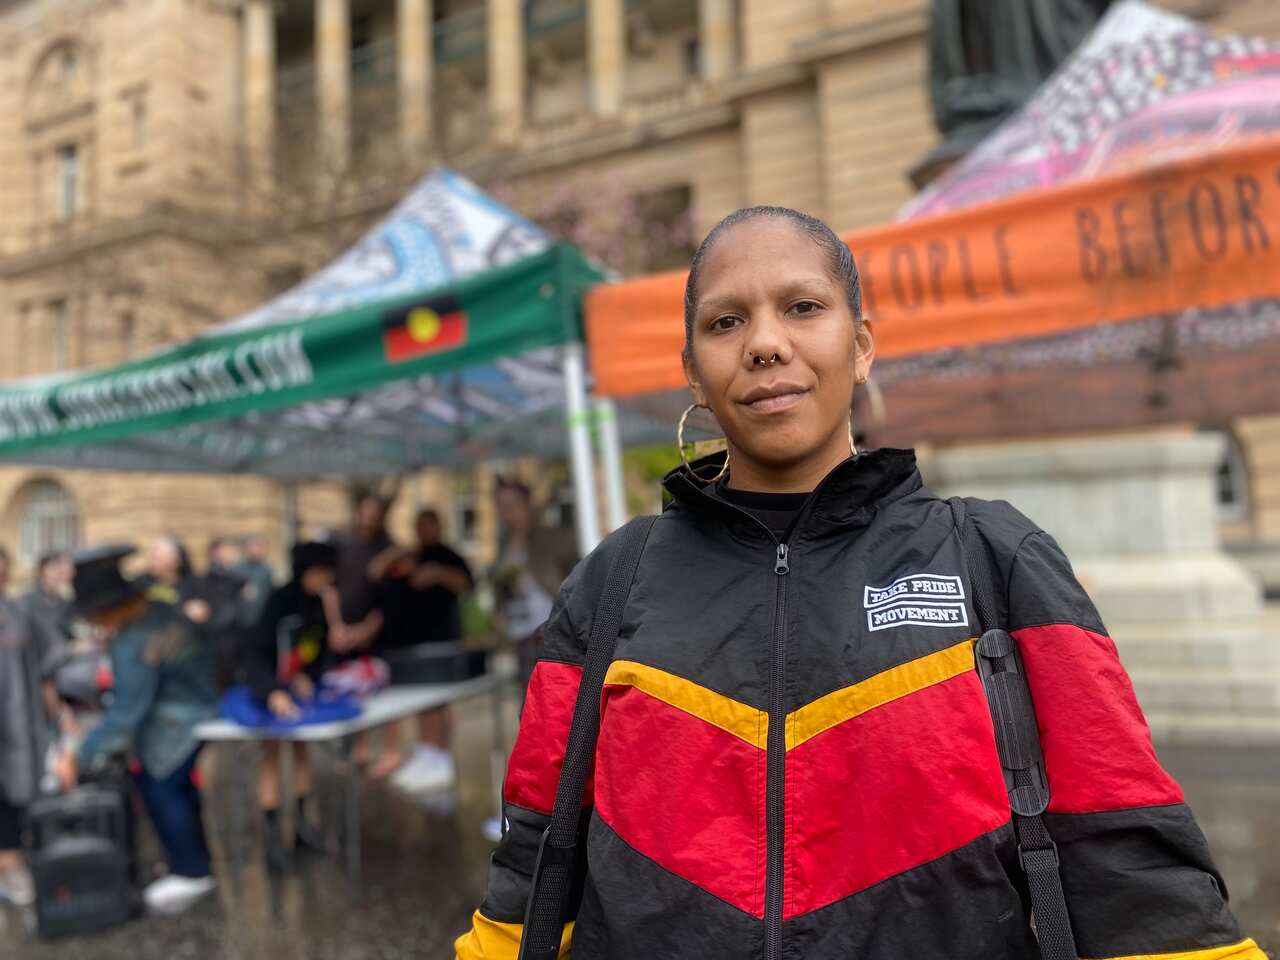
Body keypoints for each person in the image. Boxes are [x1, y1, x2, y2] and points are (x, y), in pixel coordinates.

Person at [455, 207, 1265, 959]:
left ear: (863, 344)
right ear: (694, 373)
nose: (764, 343)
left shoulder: (995, 557)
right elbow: (535, 860)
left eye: (802, 307)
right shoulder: (613, 580)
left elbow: (1133, 867)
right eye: (725, 322)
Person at [56, 544, 217, 916]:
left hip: (176, 723)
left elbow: (128, 713)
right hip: (203, 705)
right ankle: (193, 860)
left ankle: (191, 870)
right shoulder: (158, 610)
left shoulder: (131, 641)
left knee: (161, 789)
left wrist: (79, 753)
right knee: (182, 790)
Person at [243, 540, 340, 872]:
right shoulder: (279, 601)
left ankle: (301, 828)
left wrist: (306, 676)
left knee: (301, 752)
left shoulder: (317, 603)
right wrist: (272, 690)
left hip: (294, 689)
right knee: (271, 757)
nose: (327, 579)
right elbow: (255, 652)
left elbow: (317, 649)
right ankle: (272, 841)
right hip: (268, 688)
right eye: (322, 572)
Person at [386, 508, 474, 793]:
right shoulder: (410, 557)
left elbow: (467, 585)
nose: (424, 530)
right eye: (419, 525)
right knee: (421, 700)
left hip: (443, 639)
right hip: (413, 641)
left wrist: (438, 575)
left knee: (439, 701)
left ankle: (441, 757)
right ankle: (426, 752)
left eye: (428, 525)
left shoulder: (449, 556)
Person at [490, 479, 578, 689]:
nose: (505, 511)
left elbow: (580, 557)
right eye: (501, 506)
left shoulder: (548, 535)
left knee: (553, 692)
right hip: (519, 630)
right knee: (529, 694)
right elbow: (502, 582)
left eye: (511, 504)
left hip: (548, 627)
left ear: (525, 504)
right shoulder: (505, 542)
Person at [0, 546, 42, 907]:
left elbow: (39, 666)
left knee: (12, 792)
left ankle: (12, 863)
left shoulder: (17, 614)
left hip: (14, 717)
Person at [21, 551, 75, 733]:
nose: (61, 574)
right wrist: (71, 649)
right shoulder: (27, 605)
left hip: (64, 681)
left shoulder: (65, 603)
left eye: (64, 570)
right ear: (41, 572)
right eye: (55, 569)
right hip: (38, 684)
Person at [236, 533, 276, 631]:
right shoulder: (237, 569)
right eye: (252, 546)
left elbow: (271, 591)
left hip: (263, 618)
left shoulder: (267, 569)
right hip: (242, 620)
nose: (255, 550)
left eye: (258, 547)